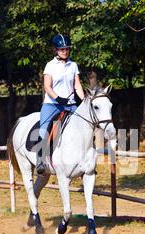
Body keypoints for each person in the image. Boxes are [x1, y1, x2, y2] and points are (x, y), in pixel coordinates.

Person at [35, 33, 85, 174]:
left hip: (70, 103)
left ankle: (85, 160)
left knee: (84, 125)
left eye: (67, 49)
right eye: (61, 49)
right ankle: (40, 160)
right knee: (44, 129)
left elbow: (77, 85)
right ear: (55, 50)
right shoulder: (50, 66)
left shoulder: (73, 65)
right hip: (52, 104)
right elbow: (47, 87)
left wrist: (84, 99)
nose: (65, 51)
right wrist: (58, 98)